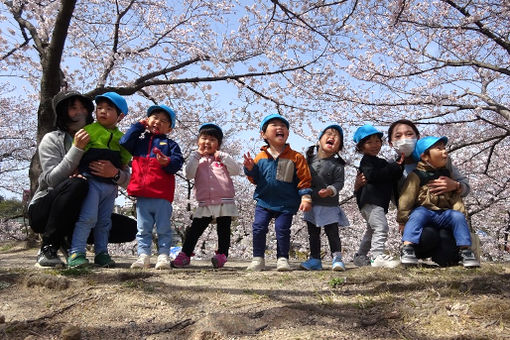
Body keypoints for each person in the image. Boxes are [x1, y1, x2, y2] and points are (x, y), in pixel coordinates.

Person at [28, 90, 136, 268]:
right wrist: (77, 148)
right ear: (63, 112)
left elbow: (129, 179)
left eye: (83, 107)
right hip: (45, 210)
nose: (79, 112)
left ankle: (71, 240)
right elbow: (50, 180)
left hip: (87, 205)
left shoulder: (105, 137)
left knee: (128, 228)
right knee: (78, 184)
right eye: (73, 108)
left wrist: (114, 174)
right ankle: (49, 246)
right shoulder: (53, 139)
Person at [387, 119, 472, 266]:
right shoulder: (389, 168)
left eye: (409, 134)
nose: (404, 139)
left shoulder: (440, 159)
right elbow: (399, 199)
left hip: (444, 215)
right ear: (390, 143)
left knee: (447, 253)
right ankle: (411, 251)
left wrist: (456, 185)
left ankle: (457, 253)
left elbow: (465, 187)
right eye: (398, 136)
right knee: (429, 236)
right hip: (417, 220)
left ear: (417, 137)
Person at [67, 92, 132, 268]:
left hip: (110, 188)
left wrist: (121, 171)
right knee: (87, 217)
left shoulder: (122, 138)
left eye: (108, 109)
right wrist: (74, 171)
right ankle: (76, 252)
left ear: (120, 116)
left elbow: (125, 159)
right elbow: (76, 154)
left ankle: (102, 253)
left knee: (105, 221)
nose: (102, 111)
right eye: (100, 108)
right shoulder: (89, 131)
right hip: (91, 183)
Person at [243, 113, 312, 271]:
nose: (280, 127)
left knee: (282, 230)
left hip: (286, 203)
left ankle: (282, 258)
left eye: (283, 126)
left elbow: (304, 179)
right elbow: (255, 179)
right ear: (263, 134)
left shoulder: (296, 157)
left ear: (287, 133)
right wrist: (250, 169)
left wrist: (306, 197)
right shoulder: (260, 157)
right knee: (258, 227)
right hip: (264, 200)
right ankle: (258, 258)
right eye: (274, 125)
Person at [120, 105, 184, 270]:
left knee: (163, 228)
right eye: (155, 117)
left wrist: (167, 162)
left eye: (164, 121)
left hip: (162, 194)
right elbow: (125, 142)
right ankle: (143, 256)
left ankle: (163, 255)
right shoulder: (139, 141)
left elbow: (177, 162)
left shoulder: (170, 144)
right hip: (142, 194)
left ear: (169, 128)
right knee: (143, 229)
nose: (158, 122)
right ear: (148, 120)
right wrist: (138, 125)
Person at [171, 123, 241, 269]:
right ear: (198, 141)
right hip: (205, 202)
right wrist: (196, 156)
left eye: (212, 140)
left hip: (224, 201)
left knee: (224, 229)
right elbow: (188, 174)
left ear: (218, 144)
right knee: (195, 230)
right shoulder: (197, 160)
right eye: (204, 138)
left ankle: (222, 255)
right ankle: (185, 254)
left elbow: (236, 170)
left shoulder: (222, 159)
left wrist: (223, 156)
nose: (207, 142)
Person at [299, 124, 349, 271]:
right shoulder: (308, 161)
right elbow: (302, 179)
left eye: (337, 136)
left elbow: (339, 182)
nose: (332, 137)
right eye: (328, 133)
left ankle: (337, 258)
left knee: (332, 232)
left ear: (339, 147)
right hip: (311, 203)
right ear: (319, 140)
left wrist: (330, 190)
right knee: (313, 233)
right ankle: (315, 259)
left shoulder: (337, 165)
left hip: (329, 204)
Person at [352, 124, 403, 268]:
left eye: (377, 141)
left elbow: (391, 176)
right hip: (370, 202)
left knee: (371, 230)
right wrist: (394, 167)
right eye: (369, 142)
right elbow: (373, 175)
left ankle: (360, 255)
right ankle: (377, 256)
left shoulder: (380, 162)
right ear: (361, 147)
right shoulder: (367, 161)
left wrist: (398, 167)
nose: (375, 145)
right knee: (381, 227)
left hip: (376, 203)